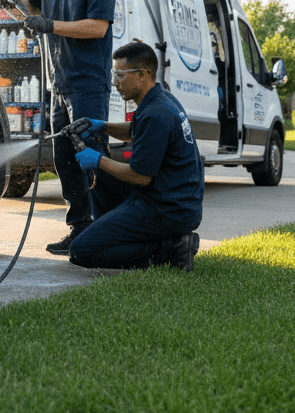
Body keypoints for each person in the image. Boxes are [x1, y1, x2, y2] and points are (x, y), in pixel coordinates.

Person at [11, 0, 118, 255]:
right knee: (64, 160)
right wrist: (13, 3)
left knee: (92, 157)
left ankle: (109, 229)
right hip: (58, 85)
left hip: (88, 82)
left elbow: (97, 27)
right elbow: (32, 13)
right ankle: (80, 228)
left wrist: (50, 25)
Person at [65, 41, 204, 270]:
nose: (114, 82)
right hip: (170, 198)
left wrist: (97, 159)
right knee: (103, 178)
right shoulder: (161, 99)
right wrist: (101, 126)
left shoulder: (156, 113)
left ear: (142, 75)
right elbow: (136, 131)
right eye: (113, 74)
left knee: (82, 251)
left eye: (120, 75)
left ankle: (173, 248)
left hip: (166, 208)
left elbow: (140, 177)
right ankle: (119, 233)